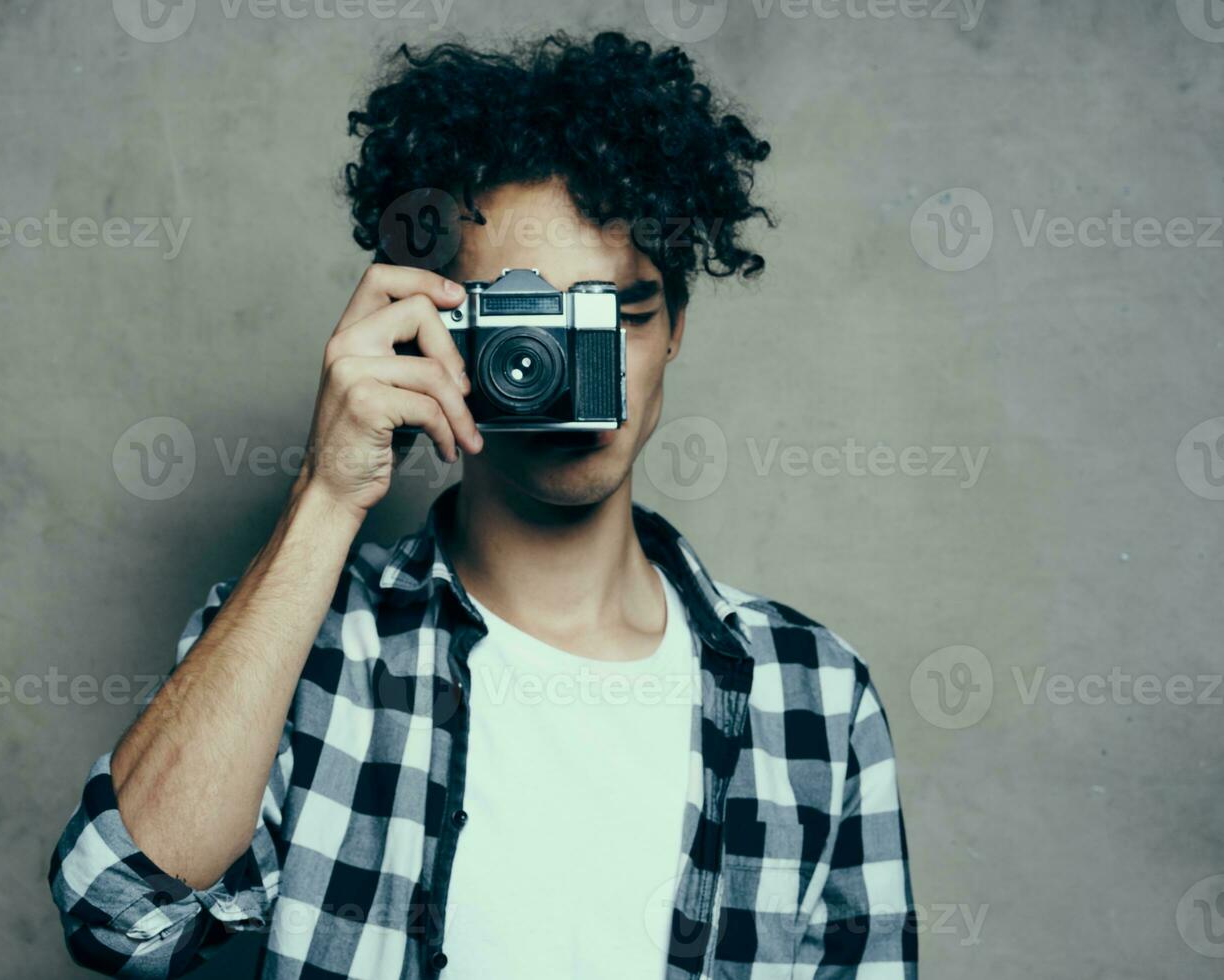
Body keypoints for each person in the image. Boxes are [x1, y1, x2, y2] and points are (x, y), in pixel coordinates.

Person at [49, 31, 915, 979]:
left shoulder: (814, 698)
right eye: (526, 325)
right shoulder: (309, 646)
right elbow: (117, 914)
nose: (575, 370)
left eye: (620, 314)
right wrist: (326, 497)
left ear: (675, 332)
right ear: (436, 332)